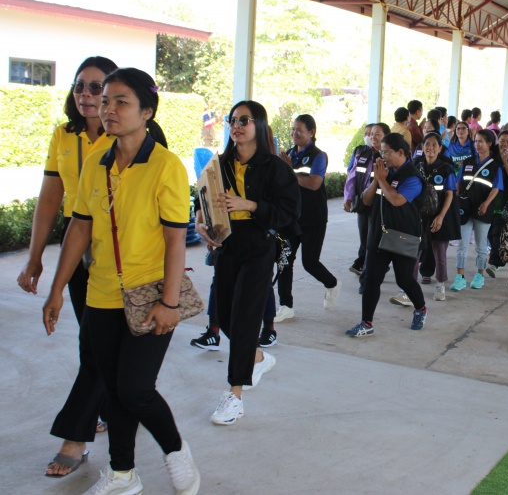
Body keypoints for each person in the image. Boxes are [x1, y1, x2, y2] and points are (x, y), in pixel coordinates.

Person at [42, 67, 200, 494]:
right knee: (113, 388)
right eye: (106, 100)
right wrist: (56, 290)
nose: (107, 108)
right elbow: (79, 228)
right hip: (100, 293)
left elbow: (175, 240)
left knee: (135, 389)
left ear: (146, 112)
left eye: (120, 102)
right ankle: (123, 473)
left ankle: (175, 450)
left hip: (149, 293)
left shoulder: (166, 166)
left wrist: (170, 303)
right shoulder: (97, 162)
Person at [17, 56, 117, 477]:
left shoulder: (132, 133)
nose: (86, 95)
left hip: (119, 253)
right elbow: (50, 198)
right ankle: (104, 406)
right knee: (91, 340)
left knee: (99, 343)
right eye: (79, 86)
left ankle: (76, 435)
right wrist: (35, 256)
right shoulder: (64, 135)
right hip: (78, 248)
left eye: (96, 88)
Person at [196, 100, 300, 427]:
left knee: (244, 319)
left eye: (244, 120)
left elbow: (289, 212)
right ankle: (256, 356)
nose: (236, 126)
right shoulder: (220, 163)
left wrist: (250, 204)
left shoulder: (275, 167)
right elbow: (203, 198)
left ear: (259, 125)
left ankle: (235, 396)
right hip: (227, 243)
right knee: (225, 315)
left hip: (259, 245)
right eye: (232, 120)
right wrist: (201, 221)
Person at [346, 133, 427, 336]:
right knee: (371, 279)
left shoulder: (413, 177)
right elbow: (366, 200)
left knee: (404, 280)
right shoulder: (383, 171)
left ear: (400, 152)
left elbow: (396, 200)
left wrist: (382, 180)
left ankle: (421, 308)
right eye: (381, 152)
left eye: (386, 152)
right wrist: (377, 180)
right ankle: (366, 323)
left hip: (402, 236)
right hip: (378, 234)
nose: (382, 156)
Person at [276, 114, 340, 320]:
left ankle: (332, 283)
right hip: (291, 217)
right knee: (284, 260)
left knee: (310, 262)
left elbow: (314, 183)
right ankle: (286, 305)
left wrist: (289, 171)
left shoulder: (319, 156)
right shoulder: (288, 154)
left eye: (299, 130)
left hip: (313, 217)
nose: (294, 133)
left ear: (311, 132)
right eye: (293, 129)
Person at [452, 129, 504, 290]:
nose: (478, 144)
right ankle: (460, 277)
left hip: (483, 210)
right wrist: (457, 201)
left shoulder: (495, 165)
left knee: (481, 246)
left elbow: (496, 188)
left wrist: (486, 203)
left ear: (489, 144)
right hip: (465, 209)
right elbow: (458, 183)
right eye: (476, 141)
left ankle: (479, 275)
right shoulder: (468, 162)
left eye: (481, 141)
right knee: (462, 245)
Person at [413, 131, 460, 300]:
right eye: (427, 144)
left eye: (434, 145)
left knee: (440, 254)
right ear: (422, 146)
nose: (430, 148)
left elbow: (450, 194)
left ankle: (440, 284)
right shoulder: (416, 165)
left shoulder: (446, 168)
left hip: (440, 216)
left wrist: (440, 217)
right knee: (414, 252)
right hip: (419, 216)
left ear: (440, 148)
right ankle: (409, 287)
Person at [344, 123, 384, 276]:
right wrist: (348, 197)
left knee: (374, 241)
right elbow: (352, 176)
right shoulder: (362, 153)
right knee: (365, 239)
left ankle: (368, 273)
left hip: (380, 205)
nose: (372, 137)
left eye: (377, 134)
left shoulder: (387, 156)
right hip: (362, 203)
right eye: (370, 134)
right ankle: (366, 266)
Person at [487, 130, 508, 277]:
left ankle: (495, 263)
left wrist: (506, 164)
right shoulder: (490, 157)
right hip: (490, 201)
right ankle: (500, 255)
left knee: (497, 232)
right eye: (502, 141)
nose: (505, 144)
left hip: (507, 202)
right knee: (490, 233)